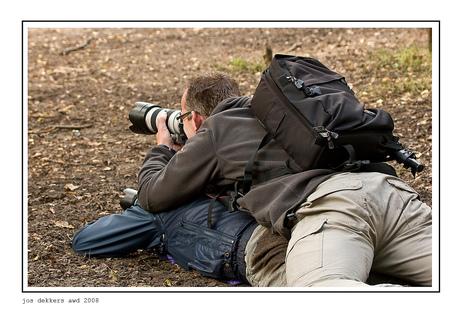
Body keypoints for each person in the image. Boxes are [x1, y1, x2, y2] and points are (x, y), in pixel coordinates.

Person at [137, 71, 432, 287]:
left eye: (183, 116)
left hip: (334, 208)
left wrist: (163, 147)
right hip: (392, 194)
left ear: (197, 119)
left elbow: (152, 196)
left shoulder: (216, 129)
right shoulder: (285, 112)